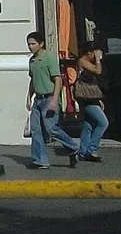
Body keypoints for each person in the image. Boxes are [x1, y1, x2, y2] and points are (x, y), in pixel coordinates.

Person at [25, 31, 80, 169]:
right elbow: (33, 80)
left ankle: (73, 147)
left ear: (41, 44)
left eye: (33, 44)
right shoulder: (32, 61)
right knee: (36, 130)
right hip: (38, 99)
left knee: (51, 128)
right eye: (29, 44)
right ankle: (40, 160)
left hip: (49, 97)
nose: (30, 47)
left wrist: (54, 100)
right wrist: (28, 96)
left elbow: (58, 80)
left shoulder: (49, 58)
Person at [73, 42, 109, 163]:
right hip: (86, 97)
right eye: (94, 53)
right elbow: (97, 71)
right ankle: (91, 149)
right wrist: (98, 59)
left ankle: (83, 152)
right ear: (89, 53)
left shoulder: (88, 61)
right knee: (103, 123)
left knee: (88, 124)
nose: (96, 55)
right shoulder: (82, 61)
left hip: (91, 96)